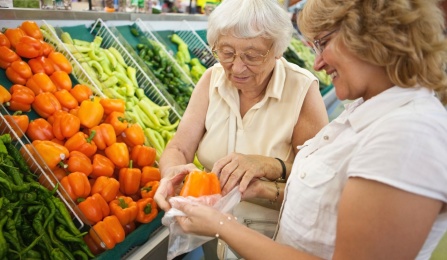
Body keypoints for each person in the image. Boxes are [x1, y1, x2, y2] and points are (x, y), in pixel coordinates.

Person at [169, 0, 447, 259]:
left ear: (371, 37)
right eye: (227, 53)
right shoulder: (367, 113)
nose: (317, 63)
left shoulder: (410, 134)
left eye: (324, 42)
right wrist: (259, 189)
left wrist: (222, 224)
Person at [154, 0, 329, 258]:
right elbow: (179, 147)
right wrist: (171, 173)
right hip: (208, 239)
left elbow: (320, 186)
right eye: (226, 52)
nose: (236, 67)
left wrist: (268, 167)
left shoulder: (302, 90)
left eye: (252, 55)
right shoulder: (211, 80)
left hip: (273, 243)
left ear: (278, 50)